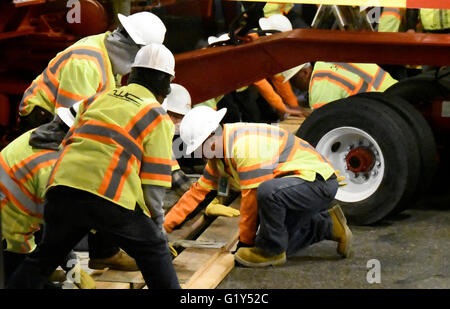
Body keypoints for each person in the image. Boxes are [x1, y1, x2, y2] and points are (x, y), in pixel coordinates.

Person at [7, 43, 180, 289]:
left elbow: (68, 142)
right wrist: (157, 228)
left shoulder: (96, 98)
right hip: (107, 197)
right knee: (155, 251)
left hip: (60, 190)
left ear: (133, 73)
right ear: (167, 84)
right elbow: (153, 185)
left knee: (44, 259)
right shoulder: (156, 115)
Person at [164, 106, 352, 268]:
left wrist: (245, 244)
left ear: (211, 137)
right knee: (277, 237)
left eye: (199, 148)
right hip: (300, 183)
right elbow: (197, 194)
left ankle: (271, 251)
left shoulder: (244, 145)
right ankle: (328, 226)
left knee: (267, 196)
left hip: (316, 182)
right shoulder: (220, 154)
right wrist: (162, 230)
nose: (201, 155)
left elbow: (251, 199)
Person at [18, 11, 167, 132]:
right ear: (135, 47)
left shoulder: (113, 52)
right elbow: (70, 122)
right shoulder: (85, 63)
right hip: (42, 123)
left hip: (61, 121)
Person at [1, 103, 95, 288]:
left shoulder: (39, 135)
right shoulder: (52, 167)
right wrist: (73, 269)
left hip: (15, 226)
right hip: (9, 238)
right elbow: (53, 232)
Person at [291, 61, 398, 110]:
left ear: (304, 73)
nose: (294, 87)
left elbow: (323, 124)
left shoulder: (320, 84)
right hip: (396, 93)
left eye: (293, 81)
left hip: (385, 107)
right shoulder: (326, 63)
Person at [161, 83, 193, 197]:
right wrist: (199, 200)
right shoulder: (157, 132)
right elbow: (174, 175)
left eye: (181, 117)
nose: (178, 122)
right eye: (174, 116)